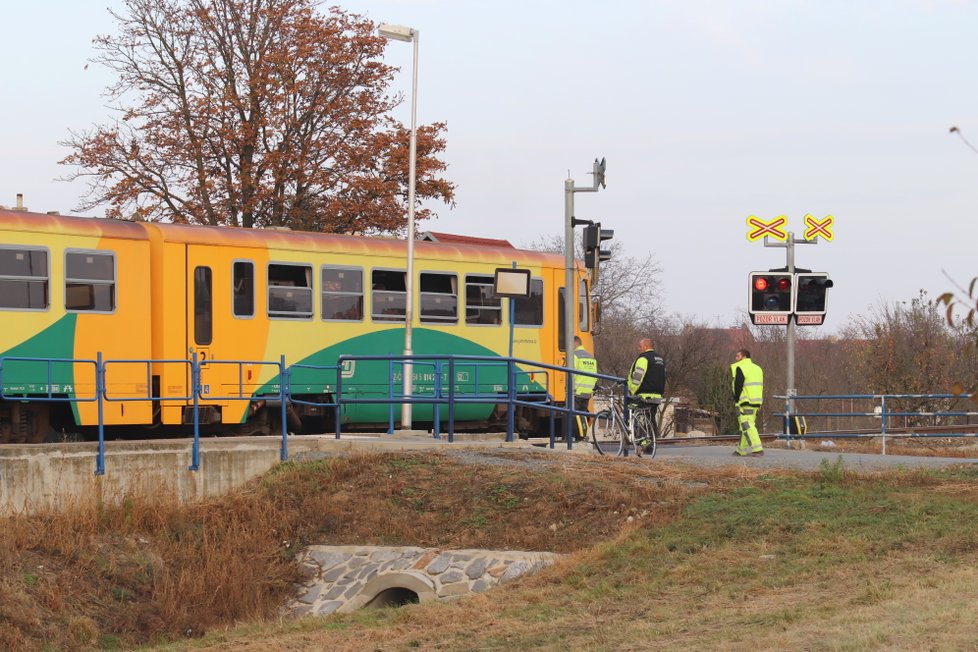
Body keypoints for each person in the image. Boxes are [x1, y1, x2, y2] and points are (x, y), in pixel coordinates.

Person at [627, 338, 666, 453]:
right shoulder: (660, 359)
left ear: (645, 346)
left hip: (643, 395)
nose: (638, 348)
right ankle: (650, 446)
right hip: (657, 396)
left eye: (639, 346)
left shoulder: (643, 358)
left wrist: (632, 391)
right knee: (650, 419)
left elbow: (637, 377)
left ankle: (641, 441)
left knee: (633, 414)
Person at [730, 348, 764, 456]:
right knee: (745, 426)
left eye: (738, 356)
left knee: (747, 425)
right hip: (756, 402)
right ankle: (741, 450)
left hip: (745, 401)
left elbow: (738, 385)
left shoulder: (741, 367)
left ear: (744, 357)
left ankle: (757, 449)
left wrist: (736, 399)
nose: (736, 358)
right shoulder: (757, 368)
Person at [572, 335, 598, 441]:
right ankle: (582, 436)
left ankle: (576, 438)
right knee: (582, 415)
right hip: (588, 391)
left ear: (574, 343)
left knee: (574, 415)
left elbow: (571, 374)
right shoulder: (590, 356)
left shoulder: (574, 355)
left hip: (577, 390)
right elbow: (595, 374)